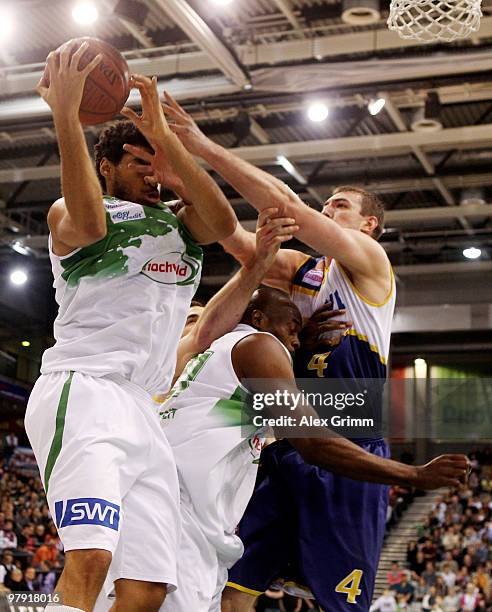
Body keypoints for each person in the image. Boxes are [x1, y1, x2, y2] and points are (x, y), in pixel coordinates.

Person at [25, 43, 236, 612]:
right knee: (91, 556)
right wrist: (65, 117)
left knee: (146, 588)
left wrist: (166, 140)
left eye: (157, 168)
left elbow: (223, 222)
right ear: (105, 167)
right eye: (140, 165)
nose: (154, 177)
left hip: (143, 405)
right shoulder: (67, 212)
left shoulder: (181, 224)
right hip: (85, 387)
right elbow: (90, 224)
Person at [155, 285, 467, 612]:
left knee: (187, 597)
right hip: (184, 507)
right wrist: (413, 474)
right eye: (293, 324)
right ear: (259, 318)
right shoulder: (259, 345)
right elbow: (314, 444)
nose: (297, 336)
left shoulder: (214, 357)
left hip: (174, 499)